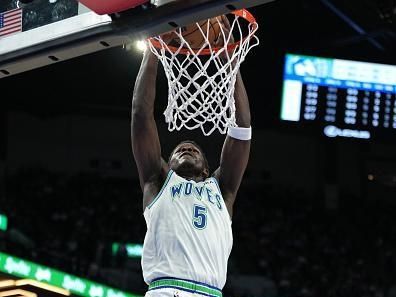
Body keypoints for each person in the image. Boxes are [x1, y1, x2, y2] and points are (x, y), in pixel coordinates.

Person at [131, 19, 252, 297]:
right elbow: (140, 115)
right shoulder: (157, 182)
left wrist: (231, 59)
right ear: (166, 165)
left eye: (194, 149)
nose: (187, 148)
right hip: (166, 290)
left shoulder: (222, 191)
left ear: (208, 169)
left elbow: (242, 128)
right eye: (178, 150)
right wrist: (153, 48)